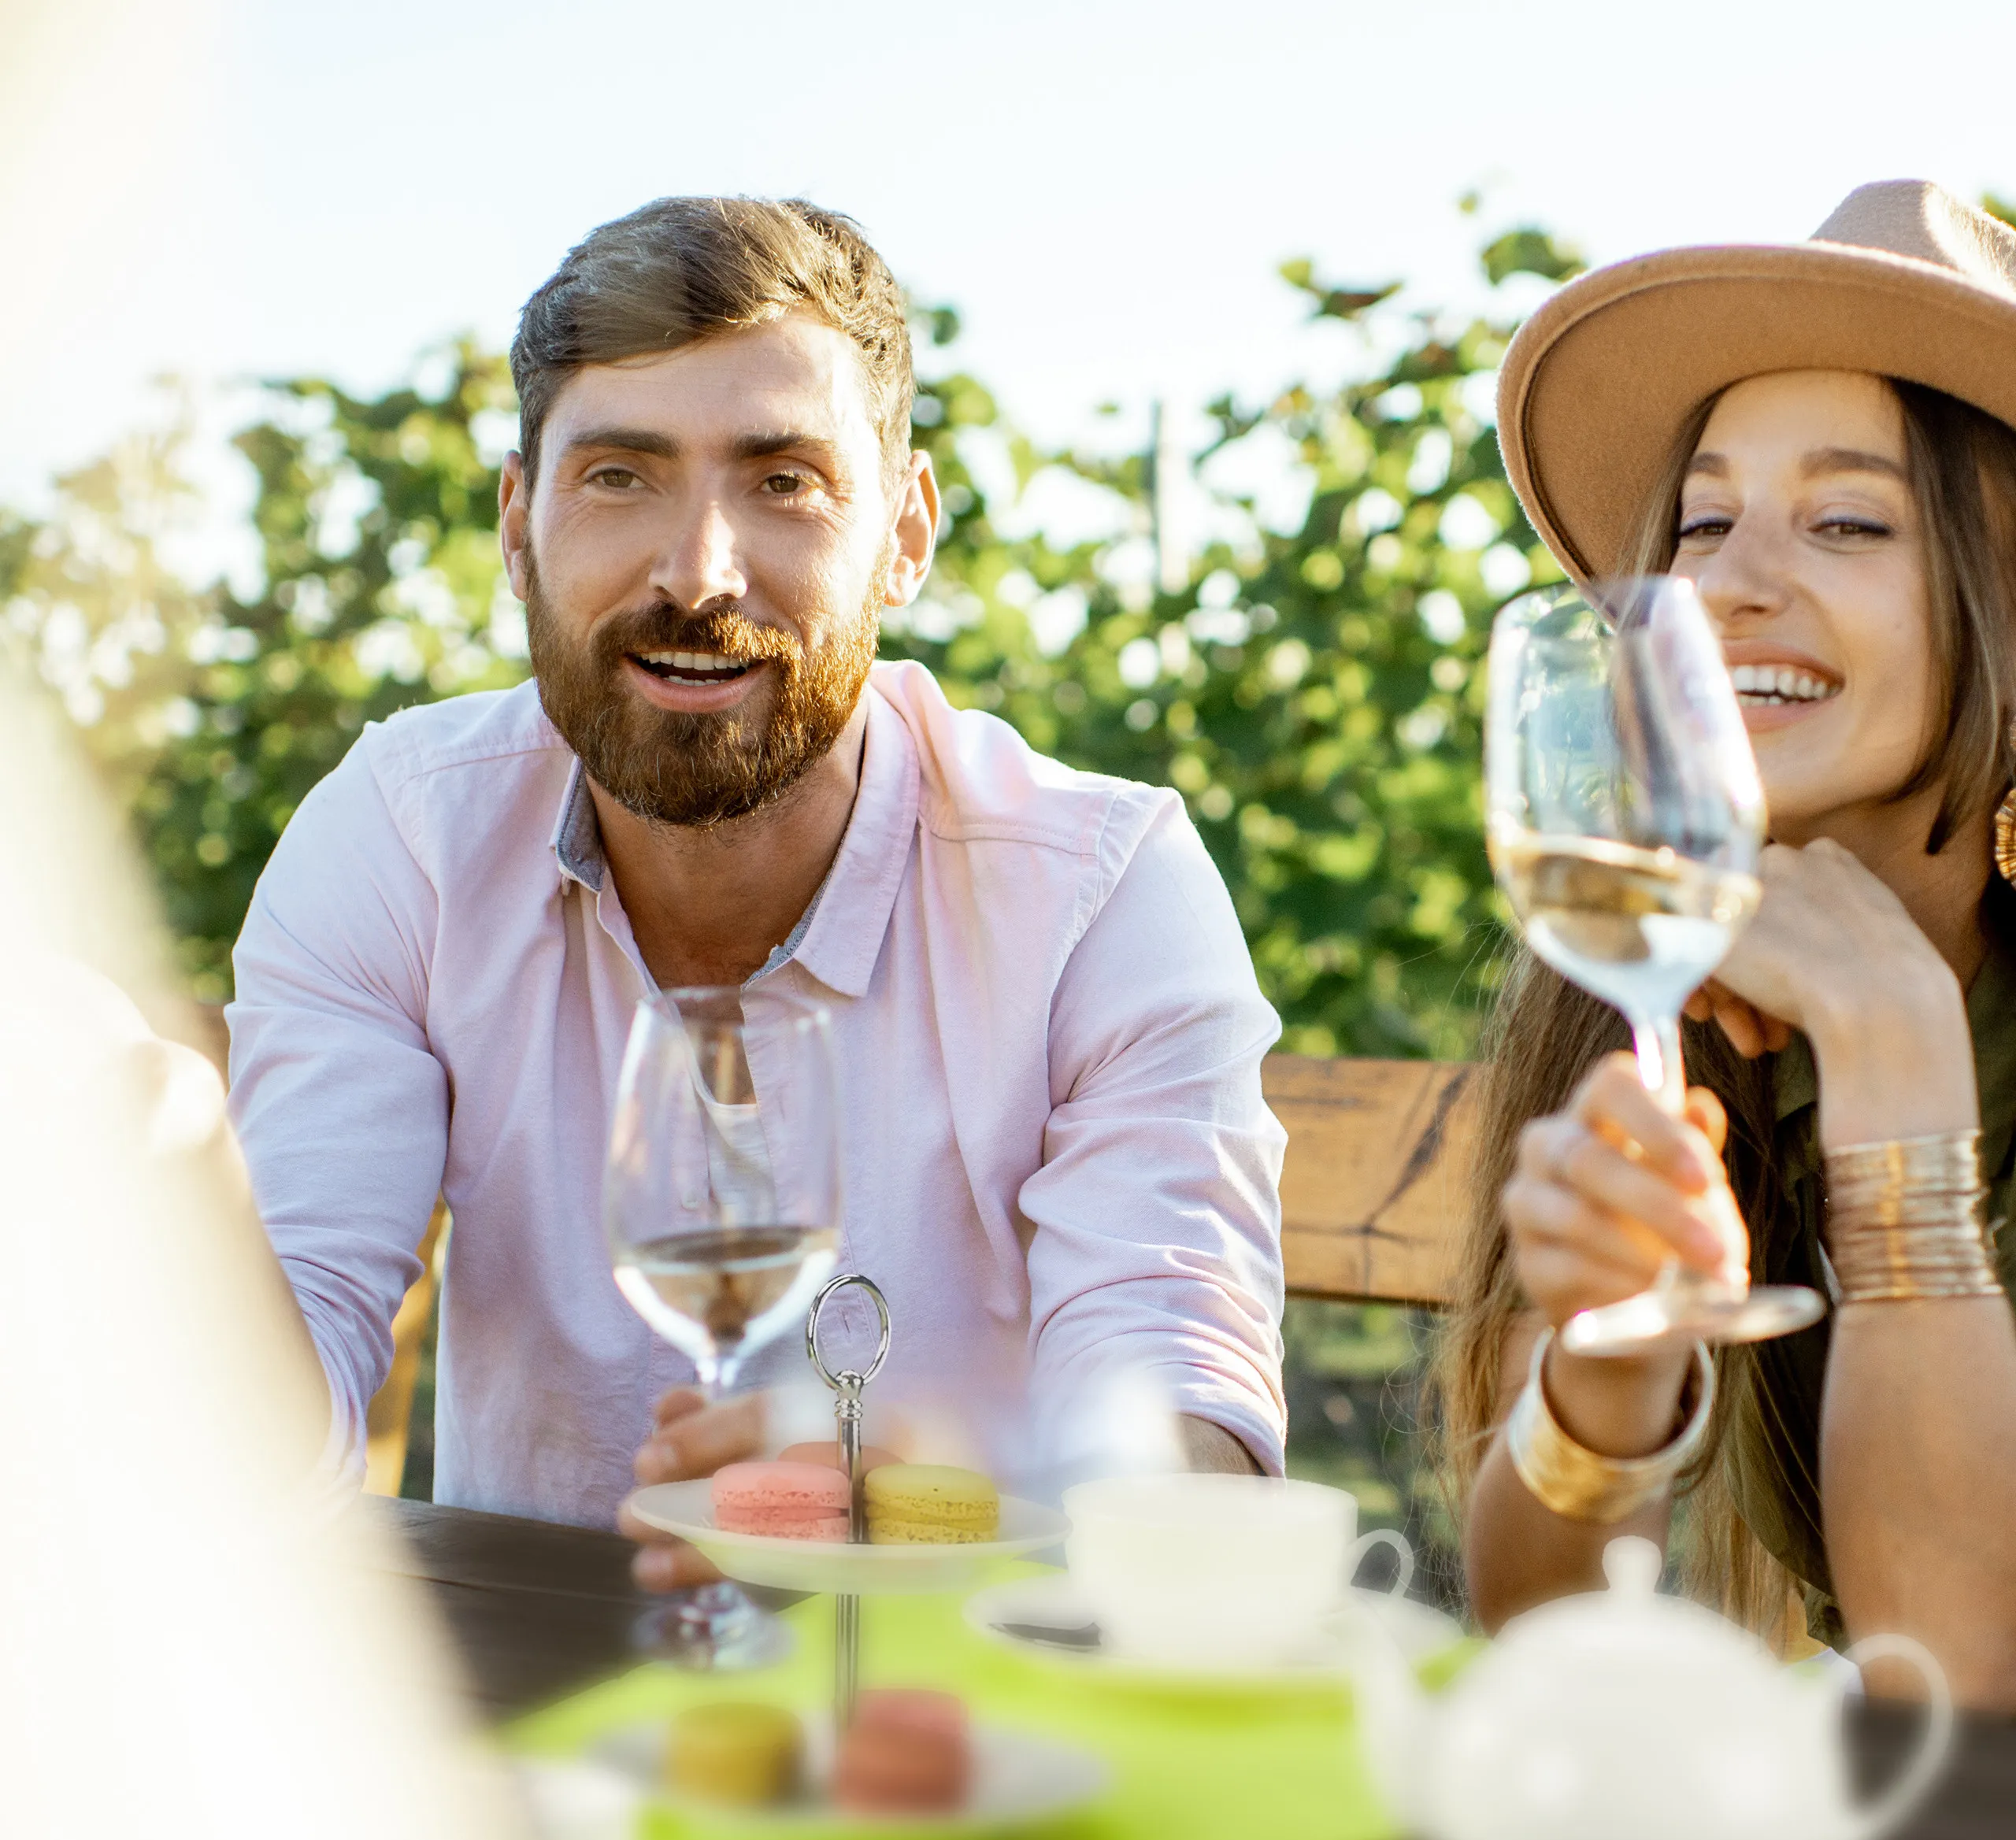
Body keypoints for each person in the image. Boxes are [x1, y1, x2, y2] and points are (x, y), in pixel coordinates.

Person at [226, 197, 1288, 1583]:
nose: (697, 572)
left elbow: (1186, 1435)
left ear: (904, 536)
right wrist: (175, 1190)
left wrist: (945, 1515)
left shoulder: (1099, 893)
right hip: (543, 1720)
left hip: (970, 1714)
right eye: (620, 475)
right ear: (516, 522)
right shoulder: (405, 838)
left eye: (783, 479)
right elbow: (258, 1420)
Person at [1436, 182, 2016, 1708]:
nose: (1729, 582)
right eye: (1701, 520)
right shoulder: (1671, 984)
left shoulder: (1868, 1009)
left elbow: (1948, 1687)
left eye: (1842, 518)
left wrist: (1892, 1041)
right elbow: (1541, 1628)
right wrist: (1603, 1378)